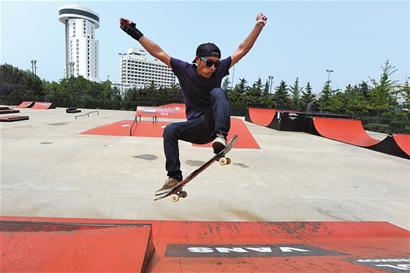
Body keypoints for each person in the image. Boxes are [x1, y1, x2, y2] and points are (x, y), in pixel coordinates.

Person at [120, 13, 267, 193]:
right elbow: (158, 52)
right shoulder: (184, 69)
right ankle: (174, 176)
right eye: (209, 63)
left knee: (218, 92)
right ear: (197, 60)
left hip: (215, 126)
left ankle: (221, 136)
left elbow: (242, 49)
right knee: (170, 131)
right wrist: (133, 32)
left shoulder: (219, 69)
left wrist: (258, 26)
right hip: (197, 127)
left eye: (216, 64)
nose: (213, 68)